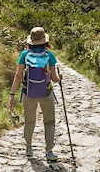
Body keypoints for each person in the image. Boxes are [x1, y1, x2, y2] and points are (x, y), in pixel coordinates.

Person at [9, 26, 62, 162]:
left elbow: (18, 76)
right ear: (45, 41)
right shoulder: (49, 55)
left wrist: (12, 94)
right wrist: (60, 77)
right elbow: (55, 79)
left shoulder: (25, 55)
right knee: (49, 122)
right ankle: (49, 151)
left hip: (29, 93)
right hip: (46, 93)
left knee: (30, 121)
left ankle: (28, 147)